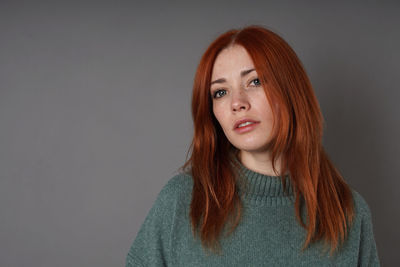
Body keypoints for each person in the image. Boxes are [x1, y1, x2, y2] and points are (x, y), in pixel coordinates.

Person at [125, 25, 380, 266]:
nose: (237, 102)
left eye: (255, 81)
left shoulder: (349, 213)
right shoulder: (182, 201)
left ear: (291, 90)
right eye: (220, 92)